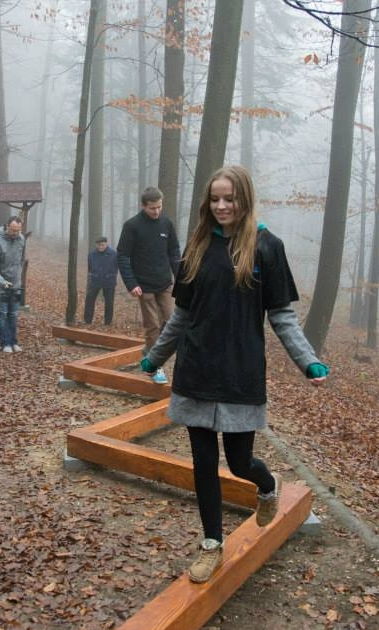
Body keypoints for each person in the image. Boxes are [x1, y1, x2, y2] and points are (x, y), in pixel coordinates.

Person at [140, 165, 330, 583]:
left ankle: (267, 485)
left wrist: (307, 360)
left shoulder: (267, 247)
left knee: (241, 463)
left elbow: (282, 315)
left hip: (241, 373)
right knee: (203, 464)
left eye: (230, 198)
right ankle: (212, 544)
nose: (222, 206)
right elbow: (182, 315)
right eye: (215, 199)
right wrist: (156, 357)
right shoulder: (197, 245)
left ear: (244, 198)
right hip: (196, 370)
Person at [117, 187, 181, 383]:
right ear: (143, 206)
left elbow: (174, 251)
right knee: (152, 325)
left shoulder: (166, 224)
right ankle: (155, 367)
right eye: (152, 208)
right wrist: (131, 284)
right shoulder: (132, 226)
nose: (157, 211)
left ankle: (150, 352)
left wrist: (180, 277)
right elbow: (123, 256)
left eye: (159, 207)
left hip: (164, 282)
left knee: (172, 321)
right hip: (143, 286)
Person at [0, 216, 25, 353]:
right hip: (0, 286)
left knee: (13, 314)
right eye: (13, 230)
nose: (16, 233)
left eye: (18, 230)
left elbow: (21, 259)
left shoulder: (21, 239)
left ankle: (13, 341)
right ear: (7, 226)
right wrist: (2, 281)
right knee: (2, 314)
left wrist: (18, 277)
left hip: (16, 285)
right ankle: (5, 343)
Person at [83, 236, 118, 327]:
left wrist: (112, 275)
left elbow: (116, 267)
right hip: (95, 280)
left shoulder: (114, 254)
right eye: (99, 245)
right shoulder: (91, 254)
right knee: (89, 300)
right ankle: (87, 320)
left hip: (109, 281)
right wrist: (92, 276)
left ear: (106, 244)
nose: (101, 247)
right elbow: (90, 267)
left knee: (109, 302)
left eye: (102, 245)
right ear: (96, 245)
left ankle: (107, 322)